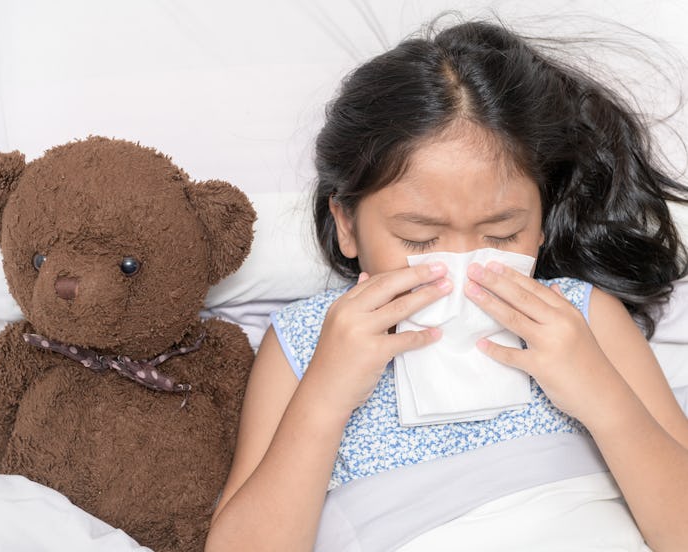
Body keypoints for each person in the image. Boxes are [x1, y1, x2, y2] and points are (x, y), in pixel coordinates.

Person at [205, 17, 688, 552]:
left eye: (502, 234)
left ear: (544, 219)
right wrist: (324, 398)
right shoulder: (308, 340)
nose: (463, 267)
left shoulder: (581, 318)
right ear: (347, 225)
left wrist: (602, 397)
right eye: (419, 238)